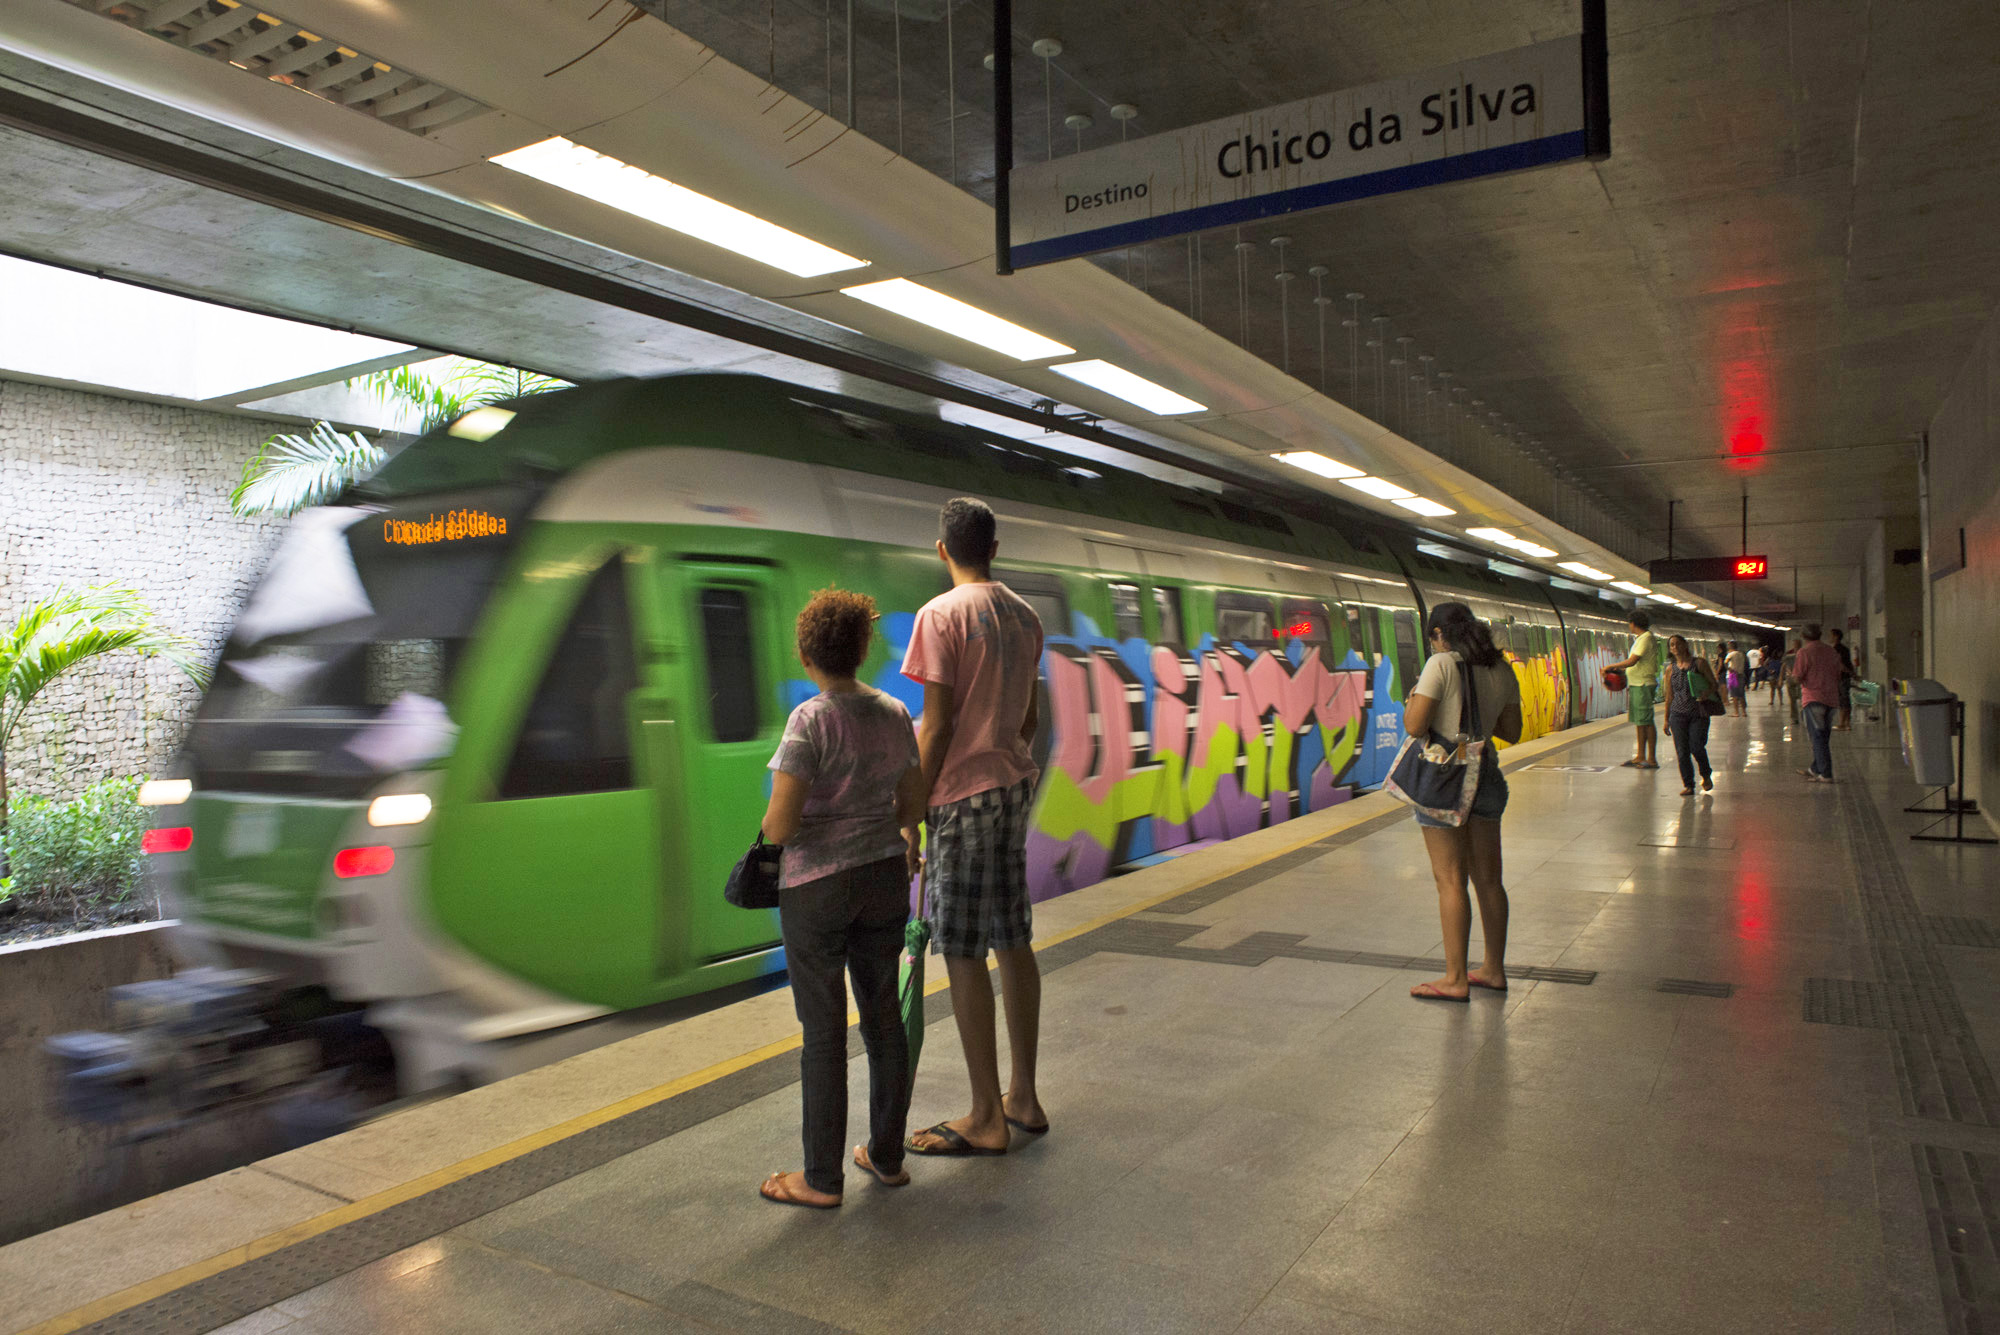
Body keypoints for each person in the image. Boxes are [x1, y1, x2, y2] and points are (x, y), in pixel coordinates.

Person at [757, 589, 928, 1208]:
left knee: (824, 1033)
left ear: (808, 655)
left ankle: (821, 1179)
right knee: (884, 1021)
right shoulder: (893, 714)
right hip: (884, 876)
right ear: (861, 650)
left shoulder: (809, 719)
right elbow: (913, 804)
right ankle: (886, 1157)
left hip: (818, 889)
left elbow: (779, 824)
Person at [902, 498, 1048, 1156]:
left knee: (962, 949)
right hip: (1013, 788)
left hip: (961, 796)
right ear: (994, 547)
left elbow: (934, 726)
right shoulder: (1025, 615)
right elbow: (1028, 722)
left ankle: (985, 1114)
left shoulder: (939, 615)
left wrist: (911, 812)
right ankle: (1024, 1094)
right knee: (1012, 938)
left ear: (943, 550)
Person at [1405, 602, 1524, 1004]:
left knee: (1450, 879)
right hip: (1485, 772)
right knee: (1489, 880)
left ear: (1438, 634)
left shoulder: (1440, 665)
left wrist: (1416, 701)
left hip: (1445, 777)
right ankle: (1493, 969)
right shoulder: (1500, 668)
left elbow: (1415, 726)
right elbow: (1512, 731)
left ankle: (1455, 978)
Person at [1665, 635, 1720, 796]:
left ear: (1685, 645)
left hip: (1698, 713)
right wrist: (1666, 720)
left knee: (1696, 746)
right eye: (1672, 645)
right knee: (1682, 751)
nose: (1675, 647)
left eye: (1677, 644)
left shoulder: (1699, 664)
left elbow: (1714, 684)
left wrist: (1706, 693)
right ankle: (1689, 785)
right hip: (1677, 715)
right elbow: (1669, 696)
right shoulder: (1670, 669)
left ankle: (1705, 773)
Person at [1606, 609, 1659, 769]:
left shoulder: (1646, 638)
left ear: (1633, 624)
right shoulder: (1641, 638)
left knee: (1647, 721)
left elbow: (1633, 661)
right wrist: (1620, 671)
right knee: (1639, 721)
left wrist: (1611, 666)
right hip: (1637, 684)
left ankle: (1651, 759)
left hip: (1643, 684)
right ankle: (1640, 756)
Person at [1793, 624, 1842, 784]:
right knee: (1823, 736)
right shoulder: (1831, 651)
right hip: (1832, 699)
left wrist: (1792, 677)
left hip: (1814, 699)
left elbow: (1798, 676)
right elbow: (1838, 674)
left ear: (1804, 636)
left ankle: (1826, 774)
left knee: (1817, 737)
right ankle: (1815, 768)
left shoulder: (1804, 652)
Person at [1831, 628, 1856, 731]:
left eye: (1831, 635)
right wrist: (1852, 673)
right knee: (1846, 699)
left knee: (1843, 700)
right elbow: (1848, 663)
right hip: (1845, 676)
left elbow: (1840, 664)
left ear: (1836, 636)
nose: (1830, 638)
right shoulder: (1845, 649)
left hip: (1841, 677)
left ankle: (1842, 723)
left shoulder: (1836, 649)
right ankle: (1847, 722)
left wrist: (1850, 673)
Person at [1723, 641, 1749, 716]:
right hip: (1741, 675)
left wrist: (1729, 669)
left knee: (1734, 695)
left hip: (1732, 676)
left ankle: (1736, 712)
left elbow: (1725, 662)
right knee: (1741, 694)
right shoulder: (1741, 654)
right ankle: (1744, 712)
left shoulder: (1730, 654)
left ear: (1730, 646)